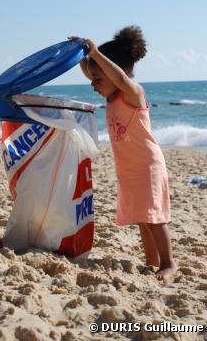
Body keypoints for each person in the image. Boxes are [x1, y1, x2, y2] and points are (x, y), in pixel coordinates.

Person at [70, 26, 177, 282]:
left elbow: (117, 78)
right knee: (142, 217)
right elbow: (92, 71)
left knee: (153, 217)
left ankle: (169, 263)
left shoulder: (133, 93)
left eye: (98, 80)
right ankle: (152, 261)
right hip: (129, 167)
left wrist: (96, 52)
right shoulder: (111, 93)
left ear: (115, 72)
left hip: (147, 164)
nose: (93, 85)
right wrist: (83, 53)